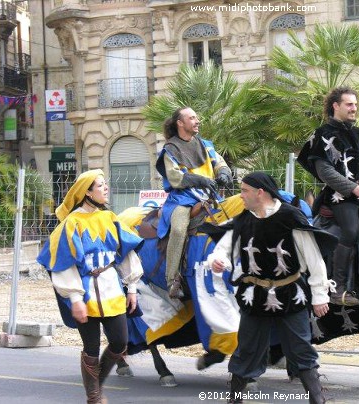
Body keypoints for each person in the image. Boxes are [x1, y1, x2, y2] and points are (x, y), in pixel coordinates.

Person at [207, 172, 336, 404]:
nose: (241, 195)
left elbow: (314, 259)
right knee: (246, 350)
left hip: (291, 294)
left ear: (260, 192)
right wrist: (218, 261)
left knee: (301, 350)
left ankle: (317, 400)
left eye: (245, 190)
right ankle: (234, 400)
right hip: (254, 296)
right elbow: (224, 250)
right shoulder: (243, 220)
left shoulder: (290, 217)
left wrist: (319, 295)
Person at [36, 169, 144, 404]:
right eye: (100, 185)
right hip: (85, 293)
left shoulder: (110, 218)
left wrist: (132, 287)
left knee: (119, 342)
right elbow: (63, 264)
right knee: (91, 347)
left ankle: (97, 385)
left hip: (112, 290)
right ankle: (93, 396)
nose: (106, 188)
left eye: (106, 184)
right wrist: (75, 299)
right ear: (87, 192)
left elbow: (125, 254)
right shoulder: (71, 224)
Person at [297, 86, 359, 306]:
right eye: (349, 104)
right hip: (340, 196)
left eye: (355, 104)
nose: (354, 108)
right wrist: (352, 188)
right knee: (351, 230)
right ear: (335, 106)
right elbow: (325, 171)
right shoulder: (322, 135)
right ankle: (338, 289)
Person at [155, 107, 233, 299]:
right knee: (180, 228)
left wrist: (223, 172)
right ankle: (172, 279)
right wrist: (200, 180)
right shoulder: (170, 149)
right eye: (192, 118)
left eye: (197, 117)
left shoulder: (206, 145)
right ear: (180, 123)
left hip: (210, 196)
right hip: (183, 198)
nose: (197, 121)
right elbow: (175, 178)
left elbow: (220, 163)